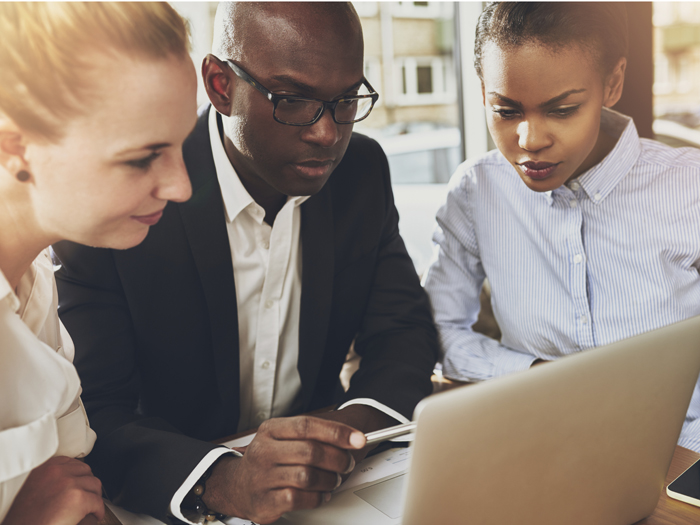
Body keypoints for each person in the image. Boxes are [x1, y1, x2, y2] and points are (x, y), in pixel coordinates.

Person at [53, 2, 439, 524]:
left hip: (334, 493)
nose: (327, 133)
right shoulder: (129, 194)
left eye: (346, 99)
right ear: (219, 84)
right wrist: (219, 478)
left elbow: (402, 331)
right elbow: (92, 411)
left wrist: (350, 432)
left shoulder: (361, 169)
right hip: (167, 499)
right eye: (294, 100)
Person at [423, 1, 700, 451]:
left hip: (683, 453)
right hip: (542, 444)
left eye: (563, 109)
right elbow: (439, 330)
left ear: (612, 83)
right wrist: (543, 378)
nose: (530, 141)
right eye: (506, 111)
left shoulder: (691, 186)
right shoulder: (477, 192)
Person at [0, 2, 196, 524]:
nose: (182, 187)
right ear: (15, 145)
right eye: (141, 158)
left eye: (181, 146)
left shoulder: (36, 283)